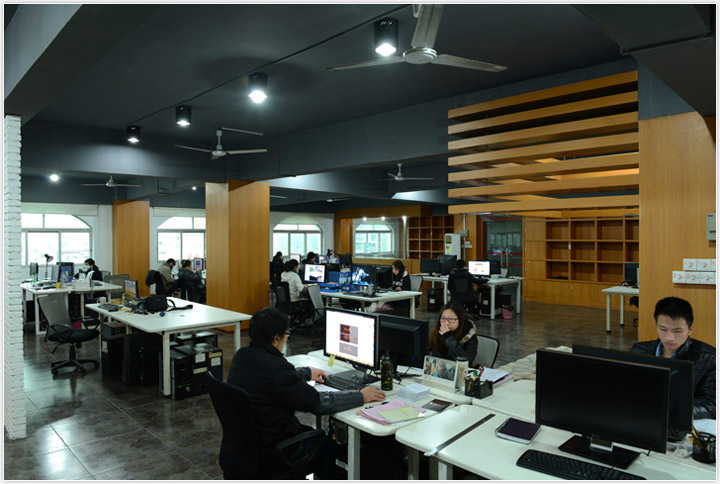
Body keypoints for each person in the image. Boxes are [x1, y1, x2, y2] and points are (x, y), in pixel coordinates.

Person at [227, 307, 385, 476]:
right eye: (286, 333)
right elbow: (317, 403)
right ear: (276, 338)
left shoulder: (242, 356)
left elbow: (269, 377)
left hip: (248, 444)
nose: (287, 337)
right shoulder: (278, 369)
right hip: (275, 448)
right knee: (326, 444)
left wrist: (306, 373)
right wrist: (361, 396)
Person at [630, 297, 715, 420]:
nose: (669, 337)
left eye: (677, 331)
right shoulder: (639, 351)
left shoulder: (709, 358)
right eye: (663, 329)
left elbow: (712, 404)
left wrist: (670, 410)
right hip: (643, 418)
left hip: (682, 422)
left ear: (690, 330)